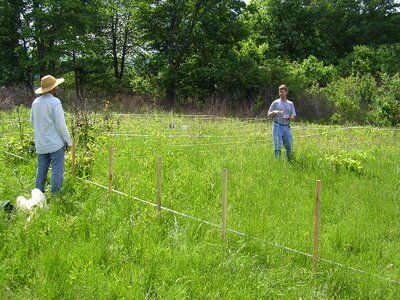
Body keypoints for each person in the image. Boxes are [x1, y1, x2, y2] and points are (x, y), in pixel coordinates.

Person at [31, 75, 72, 194]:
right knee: (57, 170)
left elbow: (32, 121)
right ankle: (56, 196)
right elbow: (61, 124)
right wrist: (67, 141)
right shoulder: (55, 102)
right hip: (55, 144)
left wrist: (41, 133)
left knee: (41, 170)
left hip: (41, 144)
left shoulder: (35, 102)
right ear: (53, 88)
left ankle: (38, 195)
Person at [267, 84, 296, 160]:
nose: (281, 93)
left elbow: (293, 117)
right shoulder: (275, 103)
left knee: (289, 145)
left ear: (286, 92)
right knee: (277, 145)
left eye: (282, 92)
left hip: (286, 127)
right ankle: (278, 162)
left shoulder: (290, 104)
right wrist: (274, 112)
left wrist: (288, 117)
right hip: (277, 126)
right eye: (279, 92)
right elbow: (268, 114)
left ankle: (290, 161)